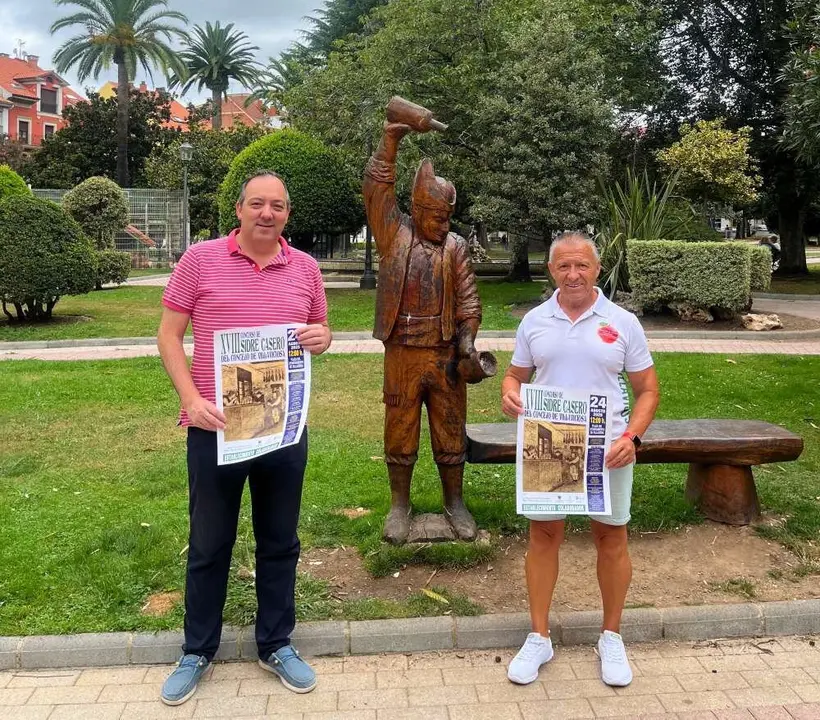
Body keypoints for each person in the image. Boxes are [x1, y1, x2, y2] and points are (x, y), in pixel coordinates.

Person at [156, 171, 332, 706]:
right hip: (215, 427)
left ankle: (275, 643)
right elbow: (168, 335)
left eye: (277, 205)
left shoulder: (305, 268)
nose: (266, 213)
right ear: (239, 209)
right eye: (257, 203)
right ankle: (197, 650)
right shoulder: (201, 259)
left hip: (282, 429)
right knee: (210, 543)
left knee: (280, 541)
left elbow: (320, 331)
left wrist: (322, 338)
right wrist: (191, 399)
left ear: (287, 214)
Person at [501, 231, 659, 688]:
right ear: (551, 270)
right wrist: (510, 394)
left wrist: (633, 437)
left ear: (597, 269)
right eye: (564, 266)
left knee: (611, 537)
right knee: (544, 536)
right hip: (549, 446)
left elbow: (648, 389)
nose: (573, 275)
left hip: (608, 450)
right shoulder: (534, 321)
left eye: (582, 266)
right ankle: (539, 637)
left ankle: (611, 636)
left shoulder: (623, 322)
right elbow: (514, 376)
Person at [363, 119, 483, 544]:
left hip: (445, 356)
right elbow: (376, 189)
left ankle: (455, 502)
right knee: (400, 427)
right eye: (437, 217)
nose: (444, 225)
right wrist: (390, 141)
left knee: (450, 428)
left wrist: (466, 343)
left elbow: (469, 301)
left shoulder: (456, 248)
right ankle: (399, 505)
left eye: (448, 218)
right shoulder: (394, 235)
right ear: (416, 211)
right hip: (402, 354)